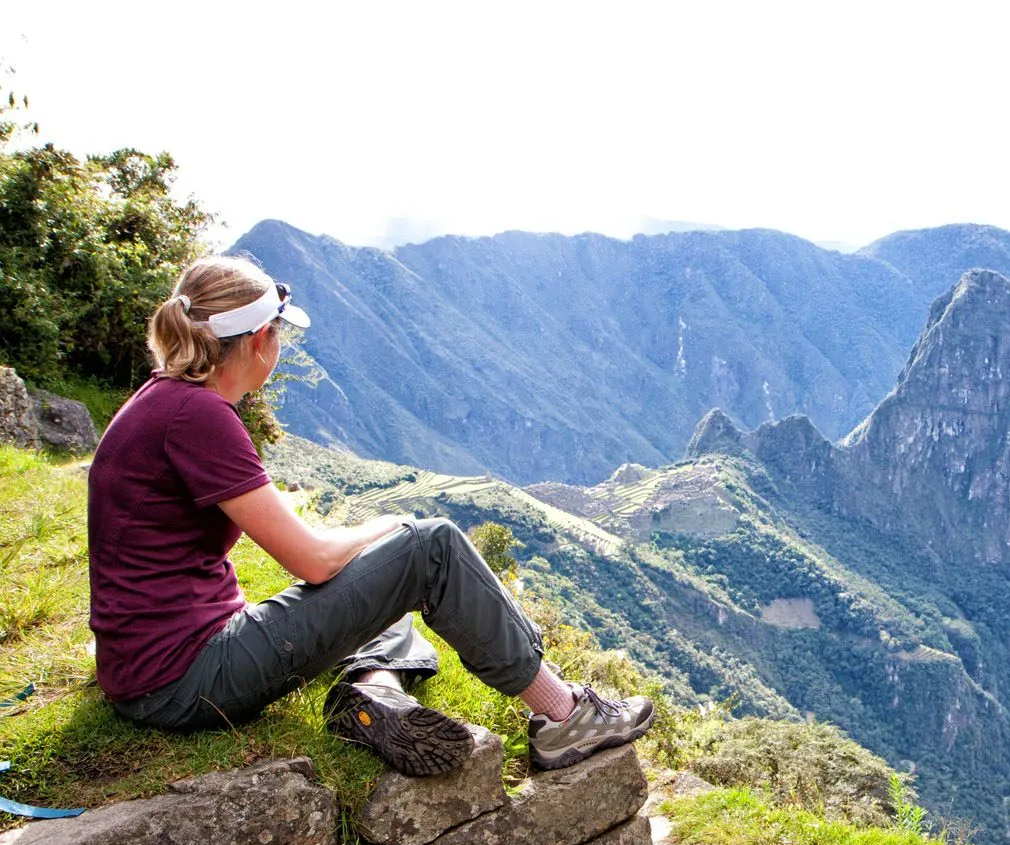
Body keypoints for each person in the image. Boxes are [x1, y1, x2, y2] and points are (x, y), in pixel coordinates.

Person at [86, 255, 653, 776]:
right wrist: (395, 526)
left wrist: (379, 550)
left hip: (150, 665)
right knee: (431, 547)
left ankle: (372, 689)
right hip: (182, 679)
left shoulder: (162, 400)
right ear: (262, 340)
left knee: (386, 580)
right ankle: (565, 716)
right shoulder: (198, 416)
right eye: (280, 335)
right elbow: (311, 561)